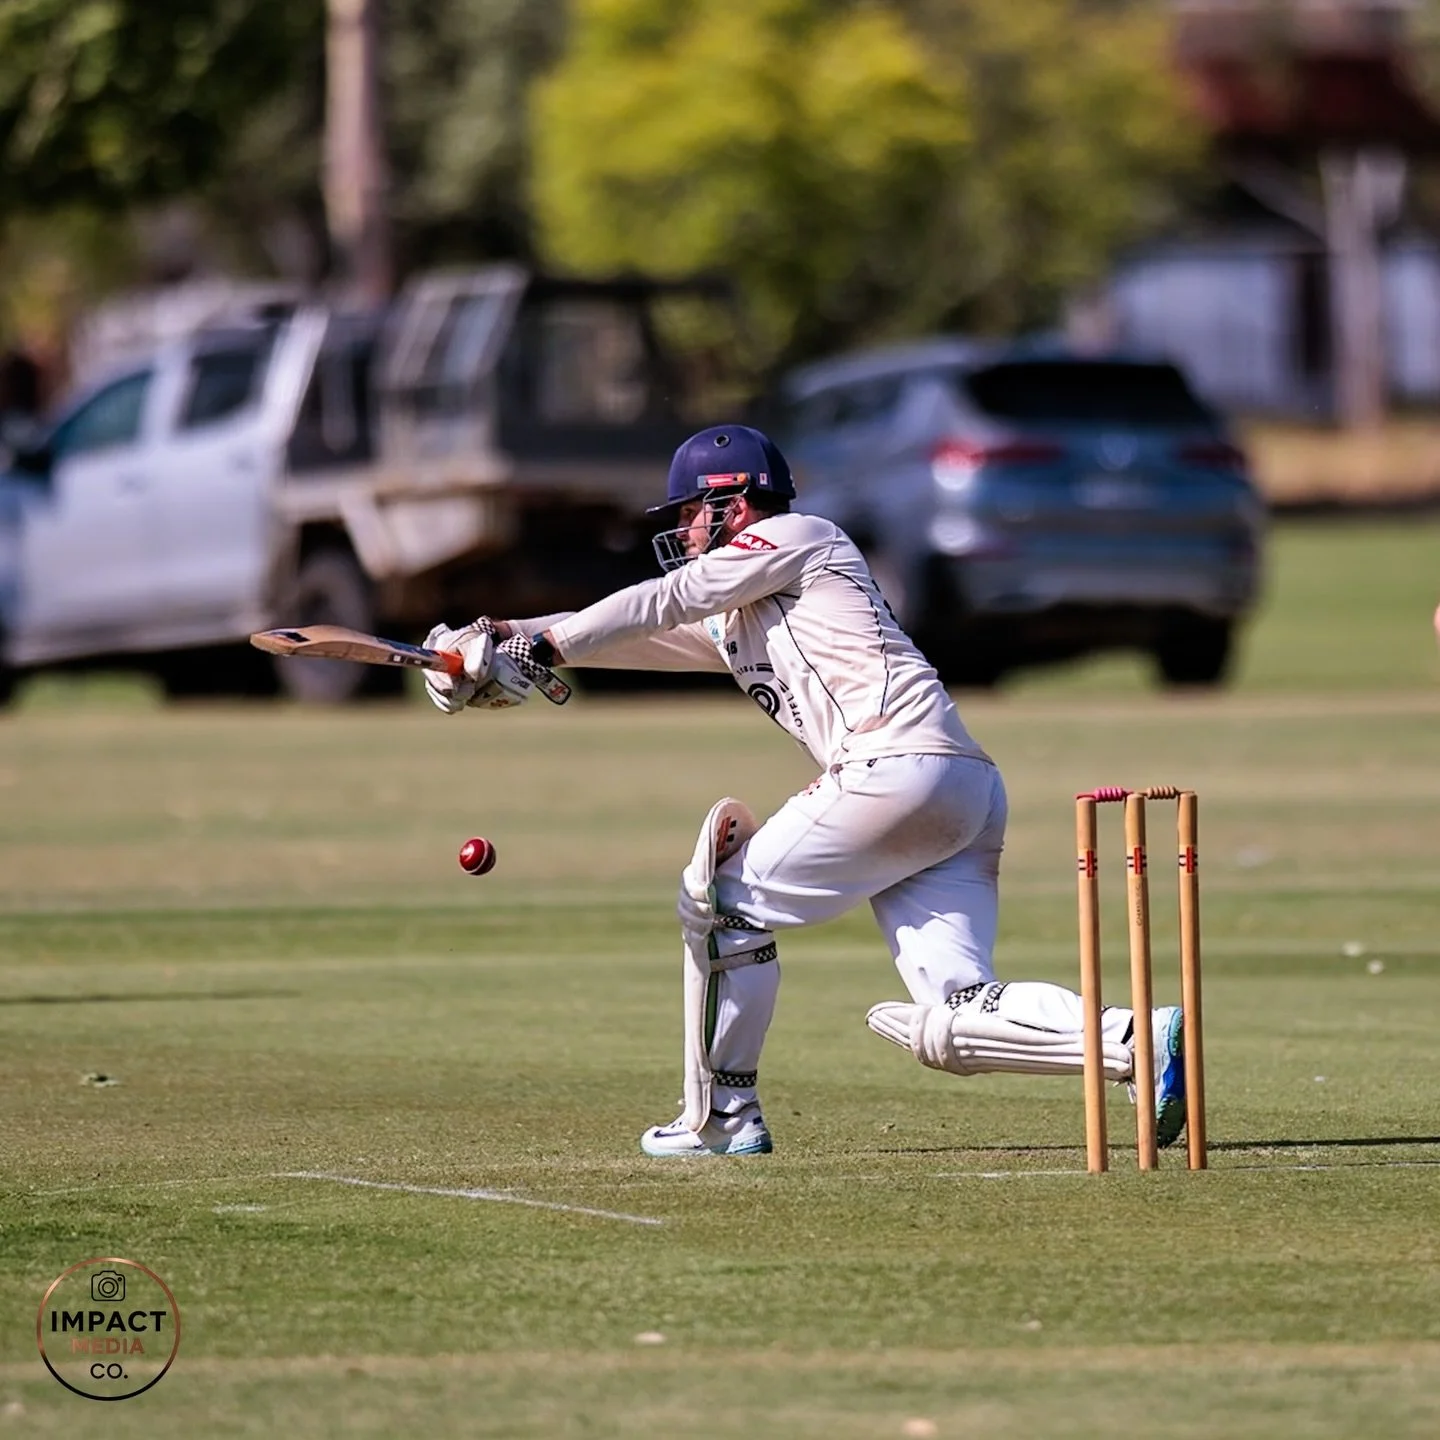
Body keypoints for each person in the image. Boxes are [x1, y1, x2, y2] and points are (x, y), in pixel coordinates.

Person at [424, 425, 1188, 1157]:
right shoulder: (741, 612)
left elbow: (664, 599)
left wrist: (545, 647)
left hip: (893, 768)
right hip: (960, 788)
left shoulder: (801, 537)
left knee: (722, 902)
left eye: (692, 512)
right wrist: (488, 639)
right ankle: (1130, 1040)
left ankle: (723, 1117)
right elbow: (636, 631)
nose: (685, 530)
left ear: (736, 502)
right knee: (953, 1017)